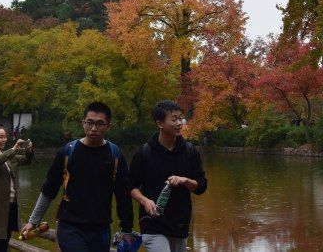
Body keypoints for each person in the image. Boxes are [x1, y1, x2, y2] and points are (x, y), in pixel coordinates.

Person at [21, 102, 133, 252]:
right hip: (70, 226)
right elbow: (49, 189)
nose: (94, 128)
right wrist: (33, 221)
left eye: (100, 124)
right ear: (83, 123)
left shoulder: (115, 154)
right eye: (90, 123)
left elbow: (123, 195)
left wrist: (127, 228)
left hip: (101, 227)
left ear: (108, 126)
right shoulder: (68, 152)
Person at [128, 100, 207, 252]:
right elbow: (130, 185)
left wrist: (185, 181)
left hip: (180, 223)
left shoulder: (189, 151)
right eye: (174, 119)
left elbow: (201, 186)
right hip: (152, 223)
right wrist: (144, 200)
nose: (179, 123)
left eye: (180, 119)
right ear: (160, 124)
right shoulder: (144, 153)